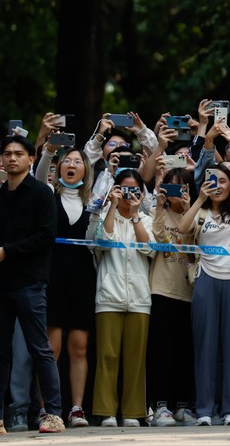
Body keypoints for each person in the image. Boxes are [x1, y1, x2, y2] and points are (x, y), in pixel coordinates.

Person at [0, 135, 64, 435]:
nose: (11, 158)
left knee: (40, 349)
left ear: (30, 159)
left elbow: (46, 237)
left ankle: (54, 413)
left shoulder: (42, 194)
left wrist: (6, 251)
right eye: (7, 153)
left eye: (18, 154)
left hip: (30, 283)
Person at [177, 123, 230, 427]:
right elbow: (182, 229)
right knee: (205, 347)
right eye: (211, 180)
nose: (217, 184)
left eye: (222, 181)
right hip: (206, 280)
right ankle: (205, 410)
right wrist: (199, 199)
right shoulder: (202, 212)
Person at [34, 145, 95, 428]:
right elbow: (38, 177)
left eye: (77, 161)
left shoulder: (93, 200)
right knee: (52, 346)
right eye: (66, 161)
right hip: (53, 276)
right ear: (59, 168)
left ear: (86, 169)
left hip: (83, 279)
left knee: (79, 346)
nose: (71, 165)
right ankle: (47, 408)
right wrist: (48, 153)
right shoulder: (48, 195)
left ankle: (76, 408)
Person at [90, 169, 155, 428]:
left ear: (141, 193)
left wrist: (137, 214)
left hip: (139, 297)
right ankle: (106, 411)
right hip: (109, 294)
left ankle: (133, 411)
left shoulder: (146, 220)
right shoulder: (109, 217)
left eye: (134, 190)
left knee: (136, 358)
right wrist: (112, 206)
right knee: (107, 355)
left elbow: (149, 248)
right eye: (124, 189)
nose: (129, 195)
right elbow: (102, 242)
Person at [148, 165, 197, 427]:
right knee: (162, 351)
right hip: (162, 289)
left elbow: (194, 246)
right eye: (173, 187)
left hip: (188, 293)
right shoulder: (159, 213)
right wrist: (158, 206)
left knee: (184, 351)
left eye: (183, 187)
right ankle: (161, 405)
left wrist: (189, 208)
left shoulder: (195, 214)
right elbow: (158, 238)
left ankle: (182, 405)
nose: (178, 193)